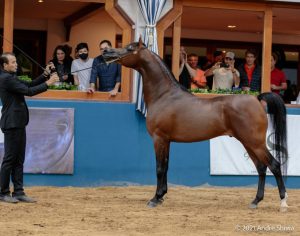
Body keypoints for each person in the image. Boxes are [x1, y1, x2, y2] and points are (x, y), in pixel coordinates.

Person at [0, 52, 59, 203]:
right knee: (9, 159)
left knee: (19, 159)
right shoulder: (6, 79)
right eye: (12, 62)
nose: (16, 64)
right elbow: (29, 92)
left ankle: (18, 191)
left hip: (18, 123)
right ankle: (3, 192)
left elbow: (29, 84)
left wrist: (44, 75)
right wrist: (49, 83)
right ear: (4, 65)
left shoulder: (10, 77)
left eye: (15, 62)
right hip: (12, 123)